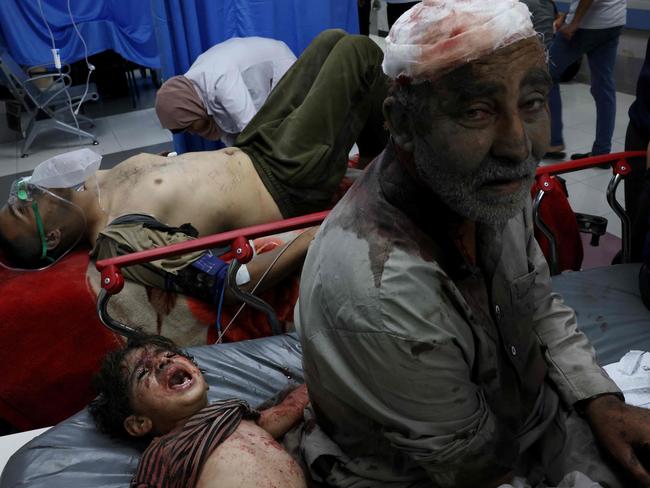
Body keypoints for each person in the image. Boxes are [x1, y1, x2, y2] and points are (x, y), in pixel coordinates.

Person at [294, 1, 650, 487]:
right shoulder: (379, 292)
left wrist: (597, 399)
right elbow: (474, 465)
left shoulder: (484, 189)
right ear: (400, 122)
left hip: (526, 423)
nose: (517, 144)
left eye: (531, 102)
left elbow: (537, 304)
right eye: (476, 110)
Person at [0, 29, 389, 303]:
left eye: (19, 191)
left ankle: (372, 153)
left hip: (254, 149)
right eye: (22, 203)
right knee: (358, 52)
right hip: (283, 181)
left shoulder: (95, 182)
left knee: (330, 41)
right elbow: (222, 282)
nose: (27, 189)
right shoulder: (118, 238)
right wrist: (312, 232)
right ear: (51, 237)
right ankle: (380, 164)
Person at [88, 333, 309, 488]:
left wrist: (322, 377)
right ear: (139, 423)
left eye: (169, 355)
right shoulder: (165, 450)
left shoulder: (231, 411)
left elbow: (284, 411)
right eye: (143, 372)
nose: (163, 362)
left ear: (205, 382)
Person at [155, 37, 297, 146]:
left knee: (283, 131)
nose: (192, 133)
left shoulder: (220, 80)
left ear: (190, 110)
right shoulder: (193, 90)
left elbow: (252, 129)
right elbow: (227, 132)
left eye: (189, 126)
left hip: (281, 66)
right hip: (250, 76)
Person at [545, 0, 627, 160]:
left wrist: (574, 22)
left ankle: (554, 142)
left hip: (586, 25)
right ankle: (602, 152)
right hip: (613, 22)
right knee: (604, 87)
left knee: (546, 74)